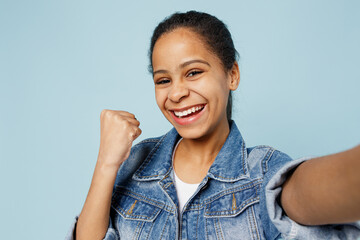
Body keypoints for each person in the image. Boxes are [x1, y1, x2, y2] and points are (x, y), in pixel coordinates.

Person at [66, 11, 360, 240]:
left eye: (193, 72)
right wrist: (106, 162)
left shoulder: (264, 171)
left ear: (232, 74)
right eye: (163, 80)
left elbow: (316, 191)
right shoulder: (133, 162)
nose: (177, 92)